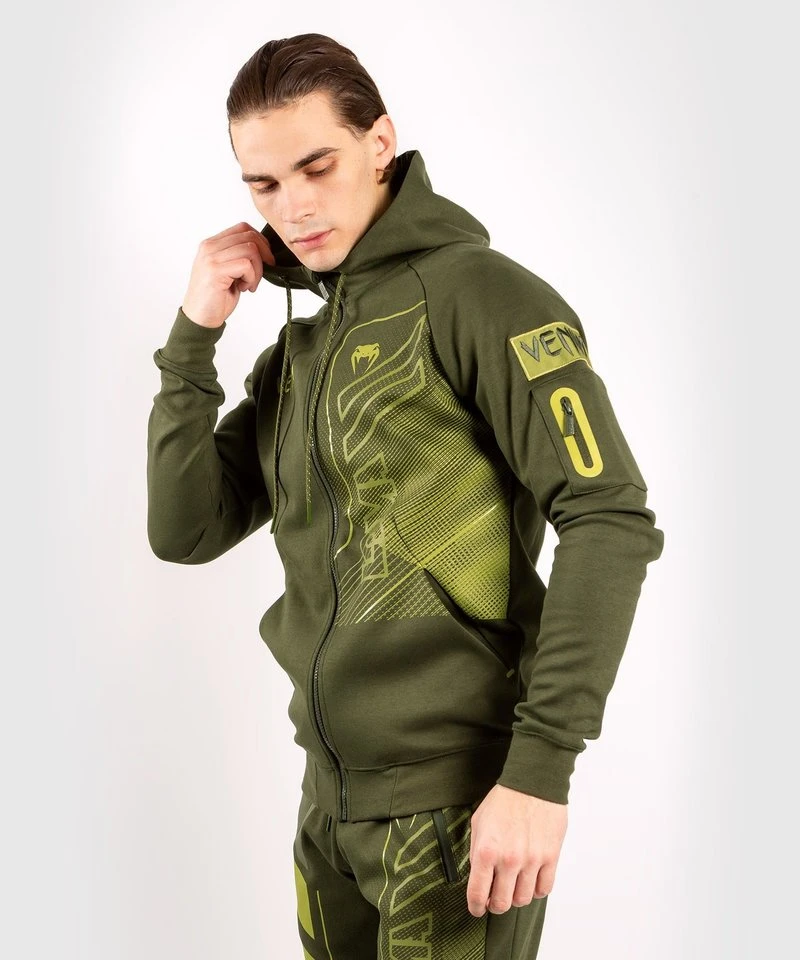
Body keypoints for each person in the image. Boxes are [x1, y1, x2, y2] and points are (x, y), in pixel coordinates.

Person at [146, 32, 665, 960]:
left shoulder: (483, 298)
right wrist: (193, 339)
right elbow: (186, 530)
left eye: (317, 167)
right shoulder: (299, 352)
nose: (295, 207)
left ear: (379, 142)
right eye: (264, 186)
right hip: (327, 810)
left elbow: (609, 519)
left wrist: (540, 772)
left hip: (458, 808)